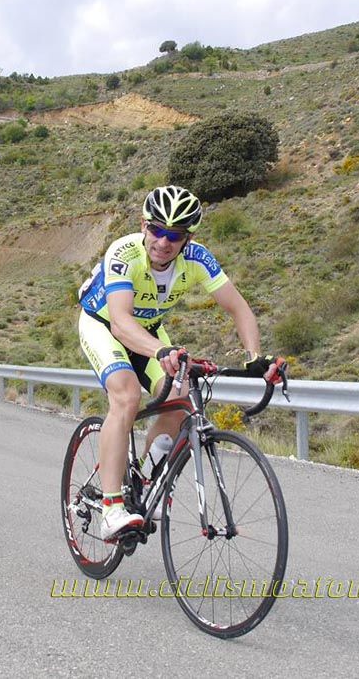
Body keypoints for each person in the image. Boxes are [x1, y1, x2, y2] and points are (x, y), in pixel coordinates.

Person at [77, 186, 283, 539]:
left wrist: (254, 357)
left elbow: (239, 308)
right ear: (144, 225)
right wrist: (159, 351)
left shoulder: (198, 259)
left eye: (174, 235)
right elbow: (122, 323)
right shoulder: (124, 253)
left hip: (149, 331)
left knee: (180, 396)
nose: (163, 241)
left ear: (188, 238)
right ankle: (111, 509)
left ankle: (144, 478)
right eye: (157, 229)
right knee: (127, 396)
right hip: (104, 325)